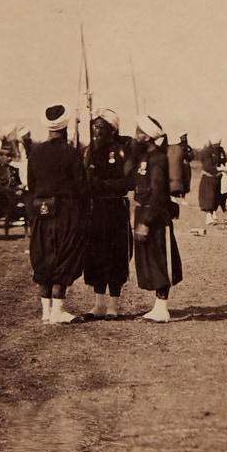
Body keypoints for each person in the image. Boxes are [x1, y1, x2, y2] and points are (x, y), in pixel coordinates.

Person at [26, 104, 88, 323]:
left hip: (41, 210)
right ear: (65, 127)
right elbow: (81, 187)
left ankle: (46, 311)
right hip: (66, 211)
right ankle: (58, 310)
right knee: (65, 254)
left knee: (43, 254)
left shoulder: (35, 153)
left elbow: (30, 185)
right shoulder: (71, 153)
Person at [131, 116, 182, 322]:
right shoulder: (144, 156)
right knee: (149, 260)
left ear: (147, 136)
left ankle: (162, 308)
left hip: (155, 215)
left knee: (160, 258)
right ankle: (157, 307)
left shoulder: (158, 158)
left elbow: (158, 191)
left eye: (139, 132)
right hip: (143, 210)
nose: (136, 136)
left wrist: (147, 220)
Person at [82, 109, 132, 318]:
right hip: (95, 210)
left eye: (102, 127)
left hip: (116, 209)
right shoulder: (88, 151)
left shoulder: (122, 151)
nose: (97, 131)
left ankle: (113, 305)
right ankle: (98, 303)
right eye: (95, 126)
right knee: (95, 255)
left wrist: (102, 185)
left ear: (112, 129)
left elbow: (129, 181)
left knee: (116, 256)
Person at [0, 145, 26, 237]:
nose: (9, 158)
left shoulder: (14, 170)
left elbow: (18, 183)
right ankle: (15, 217)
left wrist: (20, 188)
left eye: (10, 156)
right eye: (6, 156)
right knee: (7, 198)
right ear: (0, 157)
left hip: (14, 197)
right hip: (1, 201)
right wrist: (15, 190)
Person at [197, 139, 227, 227]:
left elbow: (224, 160)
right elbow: (207, 166)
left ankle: (214, 214)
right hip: (208, 178)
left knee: (217, 197)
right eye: (217, 143)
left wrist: (226, 165)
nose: (218, 145)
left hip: (217, 177)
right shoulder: (207, 152)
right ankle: (208, 216)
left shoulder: (220, 150)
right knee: (209, 197)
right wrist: (218, 169)